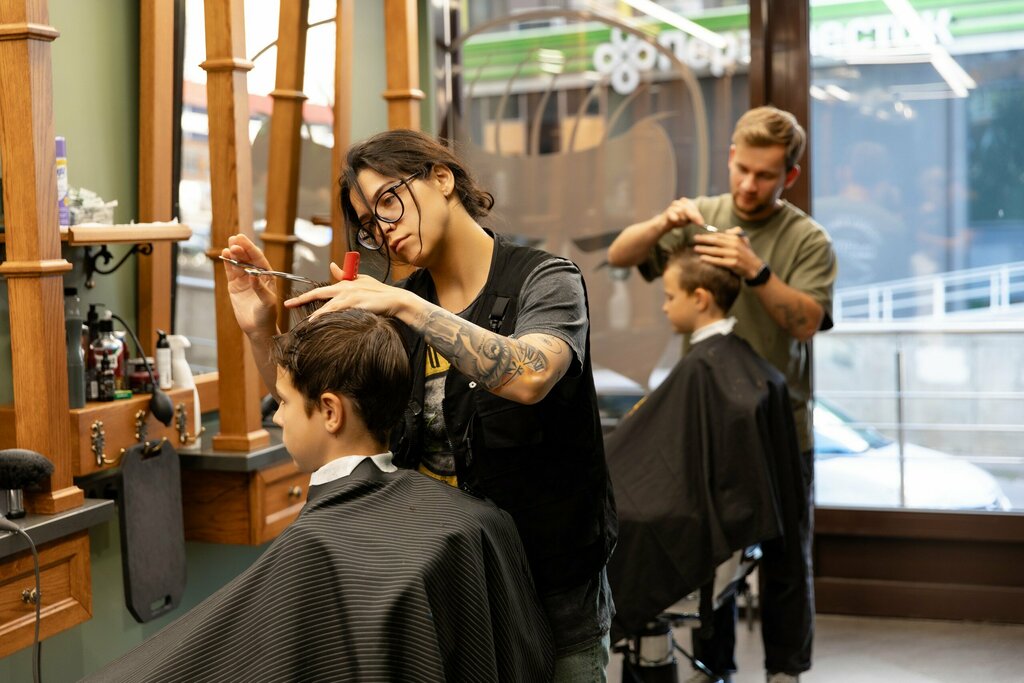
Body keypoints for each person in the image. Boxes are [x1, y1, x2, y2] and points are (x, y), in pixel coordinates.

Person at [224, 129, 617, 680]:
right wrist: (261, 327)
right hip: (451, 590)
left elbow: (530, 375)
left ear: (442, 177)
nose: (383, 230)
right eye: (369, 223)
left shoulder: (545, 281)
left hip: (553, 591)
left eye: (388, 200)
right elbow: (319, 415)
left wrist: (404, 305)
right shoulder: (402, 311)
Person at [87, 310, 554, 683]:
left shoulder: (317, 547)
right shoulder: (472, 519)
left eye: (284, 403)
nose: (275, 419)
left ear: (330, 411)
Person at [608, 106, 837, 683]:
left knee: (786, 561)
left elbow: (806, 322)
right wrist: (663, 223)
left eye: (765, 175)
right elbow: (619, 255)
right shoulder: (701, 218)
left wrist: (756, 272)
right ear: (731, 156)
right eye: (743, 168)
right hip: (707, 426)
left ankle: (785, 672)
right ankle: (718, 670)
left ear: (789, 175)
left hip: (779, 427)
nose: (748, 185)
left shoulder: (806, 240)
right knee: (710, 552)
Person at [605, 244, 803, 681]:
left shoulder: (706, 369)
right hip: (735, 552)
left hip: (701, 550)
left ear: (700, 299)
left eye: (670, 295)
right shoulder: (749, 367)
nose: (663, 305)